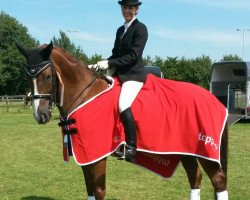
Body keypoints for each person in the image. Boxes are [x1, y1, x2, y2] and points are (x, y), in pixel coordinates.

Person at [90, 0, 148, 163]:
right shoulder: (120, 30)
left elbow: (133, 56)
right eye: (124, 8)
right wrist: (98, 64)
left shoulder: (140, 28)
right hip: (119, 75)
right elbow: (115, 54)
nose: (127, 11)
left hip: (134, 75)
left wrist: (109, 64)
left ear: (136, 10)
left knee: (123, 104)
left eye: (130, 8)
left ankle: (131, 147)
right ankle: (114, 141)